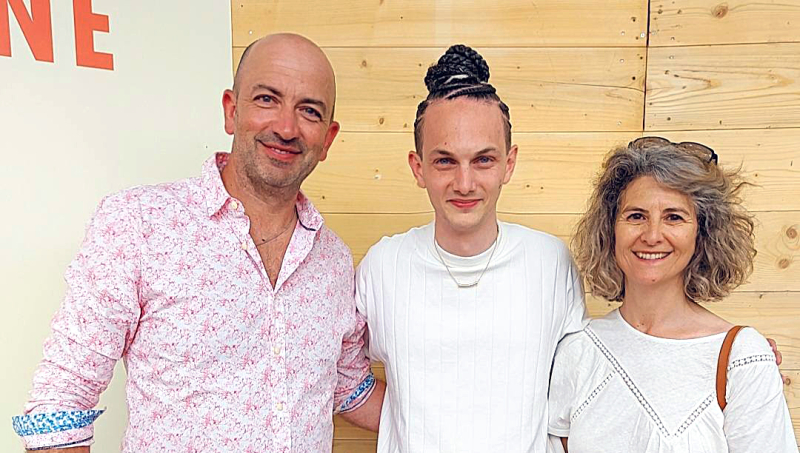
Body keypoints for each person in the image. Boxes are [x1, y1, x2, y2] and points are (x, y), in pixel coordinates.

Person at [12, 33, 384, 452]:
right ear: (231, 111)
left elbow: (348, 386)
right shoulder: (139, 224)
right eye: (267, 99)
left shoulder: (332, 259)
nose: (286, 127)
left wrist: (443, 414)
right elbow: (61, 404)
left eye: (309, 111)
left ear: (328, 139)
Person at [355, 45, 588, 453]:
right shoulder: (383, 266)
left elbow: (573, 398)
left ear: (508, 164)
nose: (464, 184)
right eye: (445, 161)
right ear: (418, 168)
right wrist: (403, 424)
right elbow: (336, 372)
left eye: (483, 160)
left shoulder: (550, 263)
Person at [547, 137, 798, 452]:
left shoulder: (743, 356)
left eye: (674, 217)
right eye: (636, 216)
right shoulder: (578, 352)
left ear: (702, 234)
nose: (652, 235)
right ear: (610, 230)